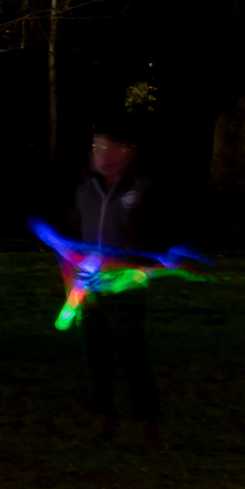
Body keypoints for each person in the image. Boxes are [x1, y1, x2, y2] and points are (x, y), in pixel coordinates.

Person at [67, 124, 165, 447]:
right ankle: (103, 419)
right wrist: (73, 283)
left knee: (133, 354)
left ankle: (146, 423)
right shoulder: (84, 191)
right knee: (97, 356)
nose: (103, 156)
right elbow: (73, 241)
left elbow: (157, 242)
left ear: (129, 153)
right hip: (91, 289)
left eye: (112, 149)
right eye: (97, 148)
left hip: (127, 287)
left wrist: (137, 271)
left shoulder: (143, 189)